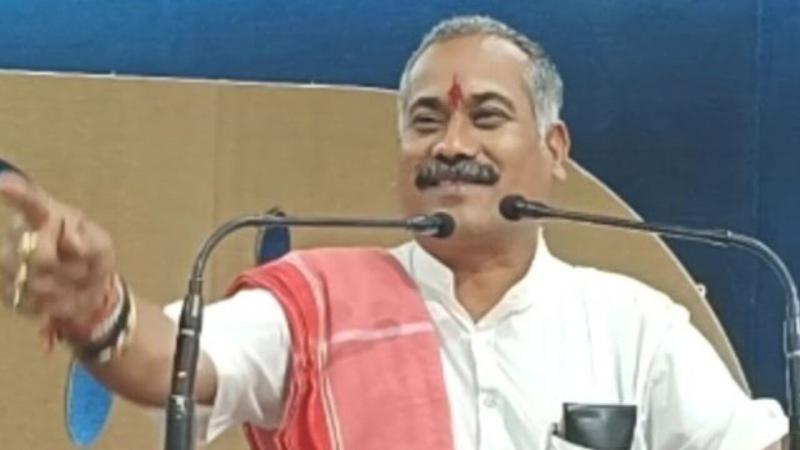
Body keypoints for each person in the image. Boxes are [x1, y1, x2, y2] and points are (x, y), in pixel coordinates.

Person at [0, 15, 787, 450]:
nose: (452, 144)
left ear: (554, 151)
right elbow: (173, 364)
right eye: (425, 121)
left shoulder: (632, 326)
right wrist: (99, 310)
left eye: (486, 117)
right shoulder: (319, 305)